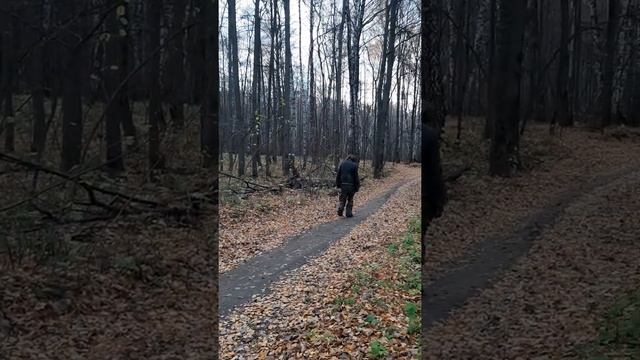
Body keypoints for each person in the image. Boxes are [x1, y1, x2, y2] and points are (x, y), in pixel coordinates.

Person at [422, 125, 446, 239]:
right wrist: (439, 200)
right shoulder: (429, 134)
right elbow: (435, 171)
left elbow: (434, 171)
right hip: (425, 197)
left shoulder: (428, 135)